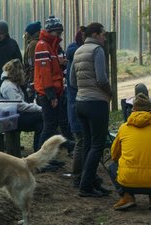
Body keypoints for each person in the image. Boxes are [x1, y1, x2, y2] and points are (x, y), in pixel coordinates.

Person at [109, 93, 151, 210]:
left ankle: (127, 196)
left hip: (127, 181)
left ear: (133, 111)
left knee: (112, 166)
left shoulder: (123, 127)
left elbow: (114, 155)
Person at [70, 22, 112, 197]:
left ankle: (91, 182)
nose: (104, 38)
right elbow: (102, 79)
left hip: (81, 103)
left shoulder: (78, 50)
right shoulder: (97, 50)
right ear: (95, 35)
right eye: (103, 35)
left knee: (88, 144)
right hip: (96, 103)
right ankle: (86, 186)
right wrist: (111, 93)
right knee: (97, 145)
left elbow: (72, 81)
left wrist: (83, 90)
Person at [34, 15, 74, 158]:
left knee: (51, 126)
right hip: (47, 94)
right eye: (58, 32)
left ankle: (47, 158)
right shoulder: (43, 45)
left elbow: (52, 68)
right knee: (49, 126)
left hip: (53, 92)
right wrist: (51, 95)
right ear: (50, 31)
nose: (60, 35)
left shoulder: (51, 46)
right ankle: (39, 159)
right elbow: (45, 73)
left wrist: (60, 62)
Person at [0, 59, 43, 152]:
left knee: (40, 125)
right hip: (9, 120)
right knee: (42, 116)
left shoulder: (11, 84)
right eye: (22, 70)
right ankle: (39, 151)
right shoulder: (9, 86)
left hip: (12, 116)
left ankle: (39, 152)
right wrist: (39, 108)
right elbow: (20, 105)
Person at [66, 26, 86, 188]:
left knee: (83, 141)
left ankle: (84, 176)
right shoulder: (76, 59)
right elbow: (74, 84)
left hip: (76, 105)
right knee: (80, 142)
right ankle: (78, 177)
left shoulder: (74, 56)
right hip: (77, 105)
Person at [0, 20, 22, 87]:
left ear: (5, 33)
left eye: (0, 33)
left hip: (9, 82)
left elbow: (18, 63)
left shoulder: (12, 44)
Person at [23, 21, 42, 103]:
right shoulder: (36, 42)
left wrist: (30, 81)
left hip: (32, 78)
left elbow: (32, 64)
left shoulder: (32, 45)